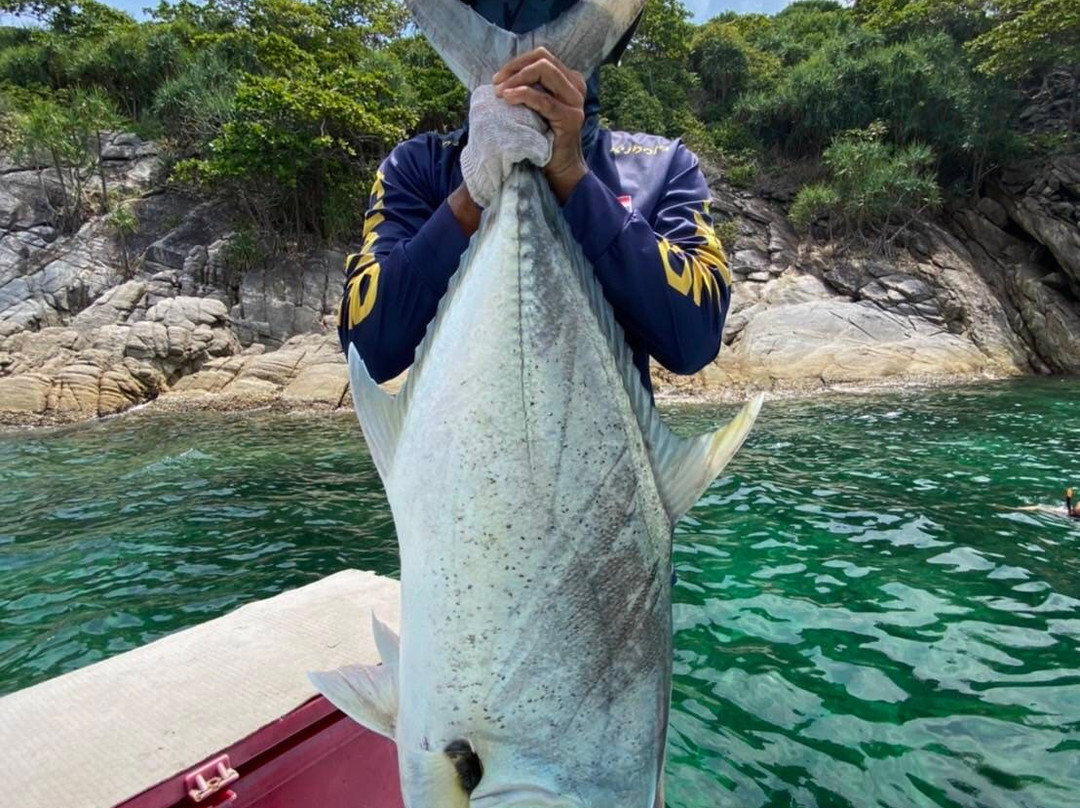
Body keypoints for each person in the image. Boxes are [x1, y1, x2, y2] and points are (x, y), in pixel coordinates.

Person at [337, 0, 731, 394]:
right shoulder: (416, 167)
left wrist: (573, 177)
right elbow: (369, 349)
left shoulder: (663, 166)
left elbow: (695, 340)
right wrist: (472, 193)